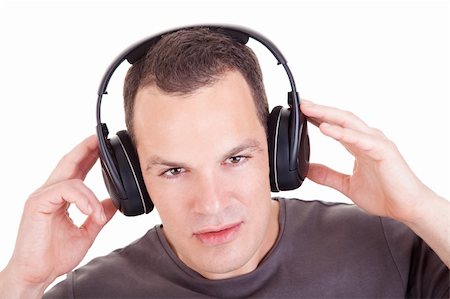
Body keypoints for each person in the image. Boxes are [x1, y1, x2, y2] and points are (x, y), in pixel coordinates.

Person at [0, 26, 448, 298]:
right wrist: (22, 283)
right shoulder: (88, 294)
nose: (211, 204)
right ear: (131, 177)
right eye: (174, 170)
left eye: (234, 158)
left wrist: (422, 209)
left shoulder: (393, 248)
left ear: (280, 150)